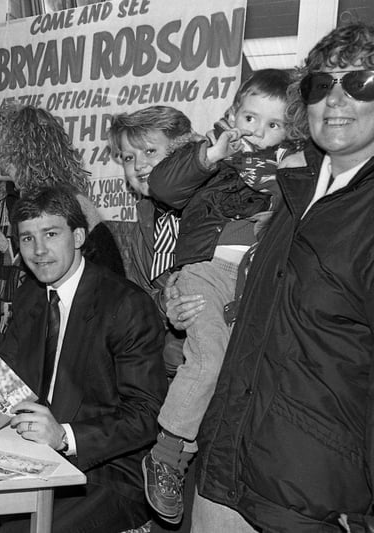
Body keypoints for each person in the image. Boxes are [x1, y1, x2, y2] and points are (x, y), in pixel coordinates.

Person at [176, 22, 374, 532]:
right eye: (321, 85)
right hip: (226, 472)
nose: (336, 99)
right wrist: (179, 298)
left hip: (316, 497)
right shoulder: (292, 185)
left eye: (360, 83)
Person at [138, 70, 302, 524]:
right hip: (205, 273)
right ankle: (167, 454)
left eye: (274, 126)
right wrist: (211, 154)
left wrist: (288, 171)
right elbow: (164, 188)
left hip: (252, 282)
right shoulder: (212, 159)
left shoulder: (289, 168)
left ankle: (191, 454)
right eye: (250, 118)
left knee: (230, 374)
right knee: (208, 360)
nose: (258, 132)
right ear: (233, 114)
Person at [0, 186, 167, 533]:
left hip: (106, 470)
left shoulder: (125, 305)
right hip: (32, 453)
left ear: (78, 236)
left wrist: (65, 438)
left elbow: (146, 415)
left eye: (50, 234)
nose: (39, 250)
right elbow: (7, 370)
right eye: (27, 238)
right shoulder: (30, 292)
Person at [0, 104, 124, 350]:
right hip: (3, 350)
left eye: (2, 146)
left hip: (64, 347)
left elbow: (112, 285)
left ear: (24, 149)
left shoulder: (78, 208)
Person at [107, 106, 200, 377]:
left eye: (150, 152)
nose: (138, 165)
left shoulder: (211, 208)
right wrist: (162, 304)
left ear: (182, 153)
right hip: (161, 370)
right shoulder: (147, 217)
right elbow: (139, 303)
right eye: (128, 157)